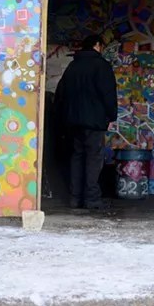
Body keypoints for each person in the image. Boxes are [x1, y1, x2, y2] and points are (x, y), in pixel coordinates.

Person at [55, 35, 118, 211]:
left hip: (73, 121)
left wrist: (63, 117)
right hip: (94, 122)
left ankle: (75, 198)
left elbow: (61, 94)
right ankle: (92, 199)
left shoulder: (72, 66)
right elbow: (108, 94)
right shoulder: (101, 66)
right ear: (97, 45)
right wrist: (111, 116)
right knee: (94, 158)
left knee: (77, 156)